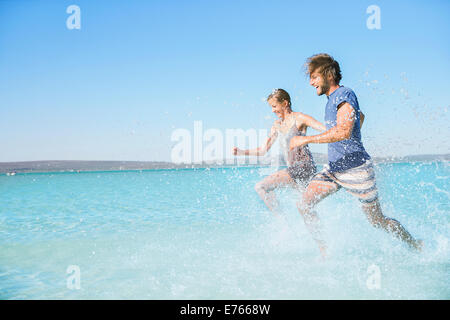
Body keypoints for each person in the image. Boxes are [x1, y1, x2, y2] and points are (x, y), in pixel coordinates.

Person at [290, 53, 423, 257]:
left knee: (378, 221)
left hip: (357, 170)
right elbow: (359, 117)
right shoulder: (332, 100)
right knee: (303, 204)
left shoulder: (345, 94)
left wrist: (305, 140)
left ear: (328, 74)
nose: (310, 82)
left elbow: (343, 131)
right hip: (334, 169)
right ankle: (325, 252)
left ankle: (414, 244)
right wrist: (354, 134)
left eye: (314, 76)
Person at [232, 89, 326, 215]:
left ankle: (283, 225)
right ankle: (318, 235)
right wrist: (241, 152)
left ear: (285, 103)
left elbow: (325, 129)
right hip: (294, 169)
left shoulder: (299, 118)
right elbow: (263, 150)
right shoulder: (277, 125)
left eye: (274, 106)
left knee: (261, 187)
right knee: (305, 209)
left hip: (304, 167)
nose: (272, 110)